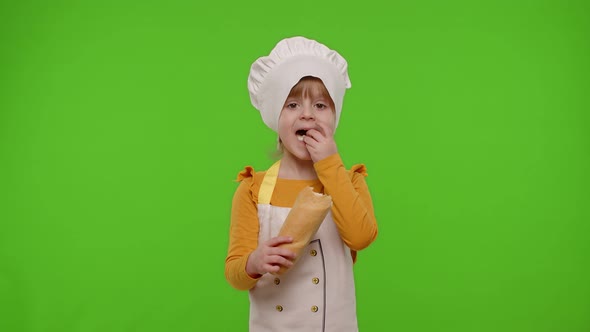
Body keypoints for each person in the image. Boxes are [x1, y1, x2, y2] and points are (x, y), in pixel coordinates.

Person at [225, 36, 378, 332]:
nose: (307, 114)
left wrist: (330, 164)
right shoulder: (253, 190)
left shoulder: (349, 182)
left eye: (320, 105)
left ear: (334, 118)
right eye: (293, 104)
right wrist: (254, 262)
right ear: (275, 117)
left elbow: (361, 238)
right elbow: (234, 273)